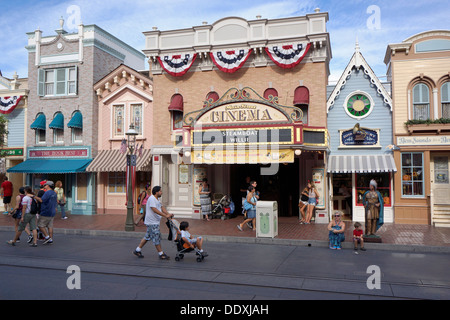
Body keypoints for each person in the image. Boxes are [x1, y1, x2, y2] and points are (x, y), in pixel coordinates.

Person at [133, 186, 174, 260]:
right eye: (160, 191)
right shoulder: (151, 199)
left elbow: (162, 208)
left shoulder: (157, 199)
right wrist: (165, 216)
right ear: (156, 192)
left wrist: (168, 214)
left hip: (154, 222)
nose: (161, 192)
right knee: (156, 237)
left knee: (147, 237)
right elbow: (154, 209)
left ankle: (137, 250)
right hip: (152, 222)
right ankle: (161, 254)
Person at [35, 181, 57, 245]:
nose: (44, 186)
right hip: (52, 211)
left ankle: (47, 237)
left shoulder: (47, 193)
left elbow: (41, 200)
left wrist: (34, 196)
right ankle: (51, 238)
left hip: (46, 211)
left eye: (45, 185)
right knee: (50, 226)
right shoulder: (54, 193)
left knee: (40, 225)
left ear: (48, 186)